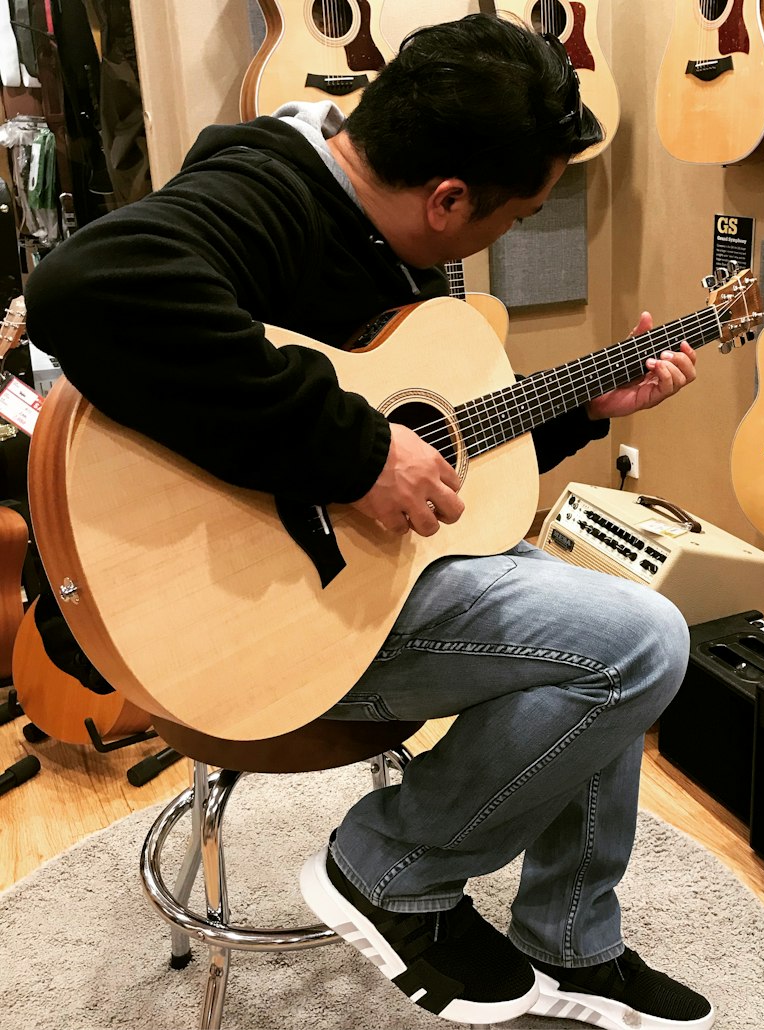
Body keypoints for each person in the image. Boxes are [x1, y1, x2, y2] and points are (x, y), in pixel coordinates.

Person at [24, 14, 713, 1030]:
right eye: (514, 218)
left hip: (363, 573)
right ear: (447, 198)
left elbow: (436, 453)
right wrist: (353, 452)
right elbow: (83, 286)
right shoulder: (268, 191)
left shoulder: (374, 226)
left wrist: (579, 409)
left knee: (600, 626)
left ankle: (574, 941)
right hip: (253, 611)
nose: (508, 236)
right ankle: (389, 867)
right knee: (640, 643)